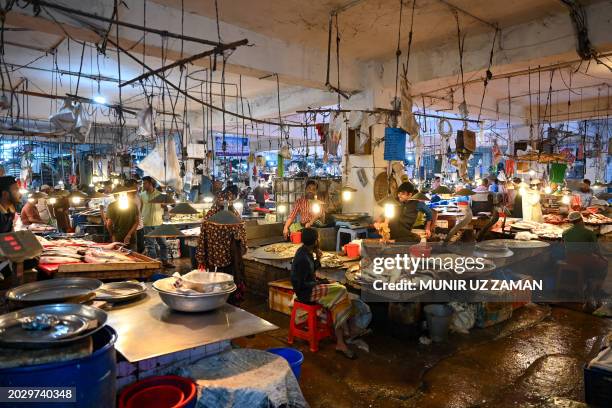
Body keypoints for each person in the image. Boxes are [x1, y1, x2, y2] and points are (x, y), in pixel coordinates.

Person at [291, 228, 356, 359]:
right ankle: (343, 334)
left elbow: (310, 271)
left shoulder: (306, 251)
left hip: (310, 288)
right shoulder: (302, 257)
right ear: (315, 241)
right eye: (317, 238)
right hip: (306, 293)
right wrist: (321, 283)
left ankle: (342, 336)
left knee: (339, 290)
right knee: (341, 291)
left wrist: (318, 257)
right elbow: (301, 284)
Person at [562, 211, 608, 298]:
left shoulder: (565, 232)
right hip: (584, 259)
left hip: (569, 259)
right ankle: (597, 289)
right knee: (604, 263)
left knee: (593, 261)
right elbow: (596, 249)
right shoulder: (589, 233)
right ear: (581, 219)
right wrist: (602, 257)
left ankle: (587, 283)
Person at [141, 176, 174, 268]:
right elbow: (141, 208)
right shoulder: (142, 195)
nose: (143, 185)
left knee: (163, 244)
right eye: (143, 183)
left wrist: (165, 206)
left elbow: (167, 207)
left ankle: (165, 261)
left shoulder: (160, 195)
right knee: (150, 245)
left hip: (158, 223)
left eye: (145, 183)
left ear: (151, 183)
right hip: (147, 223)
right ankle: (154, 264)